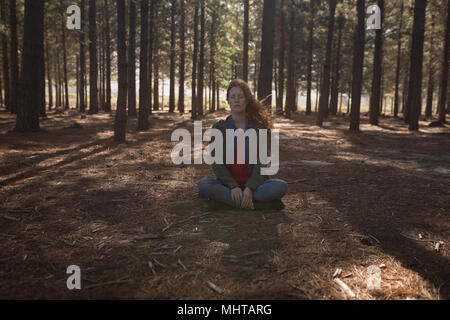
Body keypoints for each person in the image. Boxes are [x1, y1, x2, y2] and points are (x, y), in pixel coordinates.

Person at [197, 79, 287, 210]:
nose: (236, 100)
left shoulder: (258, 128)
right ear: (228, 100)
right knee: (204, 185)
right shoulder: (219, 128)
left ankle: (236, 201)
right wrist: (233, 186)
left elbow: (262, 163)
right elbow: (217, 163)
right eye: (232, 97)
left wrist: (250, 188)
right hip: (228, 185)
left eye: (240, 97)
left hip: (255, 186)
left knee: (281, 186)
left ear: (247, 100)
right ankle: (250, 203)